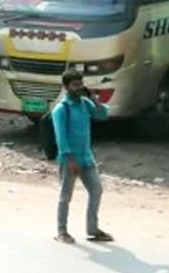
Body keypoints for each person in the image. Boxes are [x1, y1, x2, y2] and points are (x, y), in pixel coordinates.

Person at [53, 69, 112, 244]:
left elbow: (102, 114)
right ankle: (62, 231)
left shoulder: (85, 103)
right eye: (75, 85)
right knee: (66, 195)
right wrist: (70, 159)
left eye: (80, 83)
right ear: (66, 87)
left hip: (86, 157)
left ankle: (92, 229)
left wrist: (94, 99)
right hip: (71, 159)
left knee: (96, 190)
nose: (79, 87)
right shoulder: (61, 110)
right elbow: (61, 138)